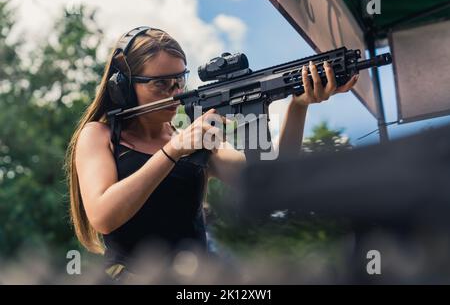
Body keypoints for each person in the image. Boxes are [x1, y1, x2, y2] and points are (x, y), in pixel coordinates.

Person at [65, 27, 357, 282]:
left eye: (179, 80)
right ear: (124, 88)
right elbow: (104, 216)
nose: (174, 93)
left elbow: (271, 182)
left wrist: (299, 105)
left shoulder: (195, 139)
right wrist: (173, 151)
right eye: (160, 84)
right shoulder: (100, 135)